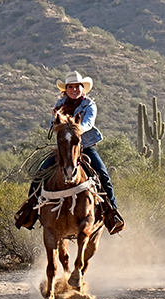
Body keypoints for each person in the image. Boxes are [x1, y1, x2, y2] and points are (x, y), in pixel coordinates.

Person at [25, 71, 124, 235]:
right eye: (70, 87)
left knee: (103, 175)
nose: (73, 90)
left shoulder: (89, 105)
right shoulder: (60, 104)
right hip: (64, 149)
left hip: (85, 147)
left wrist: (75, 130)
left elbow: (88, 123)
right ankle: (30, 211)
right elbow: (54, 126)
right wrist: (56, 120)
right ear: (66, 89)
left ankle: (112, 212)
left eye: (76, 87)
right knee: (40, 173)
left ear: (82, 88)